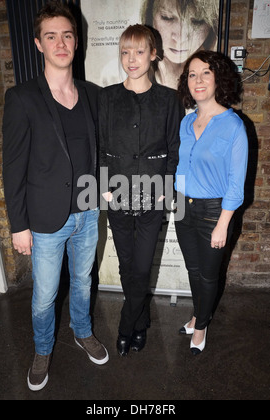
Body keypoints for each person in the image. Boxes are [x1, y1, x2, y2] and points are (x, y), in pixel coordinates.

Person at [2, 1, 109, 392]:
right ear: (38, 44)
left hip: (87, 210)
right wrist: (19, 226)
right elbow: (12, 166)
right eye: (51, 36)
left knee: (83, 281)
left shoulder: (93, 95)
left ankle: (82, 332)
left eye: (67, 34)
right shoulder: (22, 98)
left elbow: (100, 150)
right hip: (45, 219)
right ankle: (43, 349)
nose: (60, 42)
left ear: (75, 42)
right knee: (45, 295)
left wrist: (106, 186)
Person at [99, 24, 183, 356]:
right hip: (115, 195)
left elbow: (174, 148)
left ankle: (125, 326)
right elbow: (99, 145)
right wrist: (104, 187)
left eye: (138, 51)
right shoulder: (106, 97)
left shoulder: (168, 99)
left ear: (152, 54)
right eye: (125, 51)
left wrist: (165, 185)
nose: (131, 59)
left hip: (153, 195)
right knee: (126, 264)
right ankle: (141, 321)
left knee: (142, 265)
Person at [174, 50, 248, 355]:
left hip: (213, 212)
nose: (198, 80)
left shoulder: (233, 126)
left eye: (205, 72)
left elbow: (236, 183)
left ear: (218, 77)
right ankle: (197, 314)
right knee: (193, 270)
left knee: (208, 274)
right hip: (183, 208)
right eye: (192, 74)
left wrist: (223, 223)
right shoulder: (186, 122)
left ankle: (201, 326)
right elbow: (182, 166)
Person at [141, 0, 219, 89]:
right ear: (150, 17)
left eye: (197, 21)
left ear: (212, 25)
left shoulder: (219, 77)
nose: (180, 39)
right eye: (167, 17)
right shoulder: (138, 75)